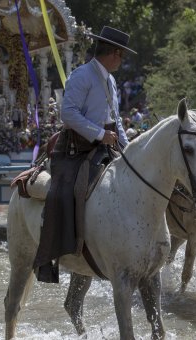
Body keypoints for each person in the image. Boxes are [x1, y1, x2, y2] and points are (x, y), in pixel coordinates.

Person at [33, 26, 134, 283]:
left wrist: (128, 147)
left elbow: (116, 120)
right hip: (75, 150)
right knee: (62, 193)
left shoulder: (110, 80)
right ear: (114, 53)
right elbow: (68, 113)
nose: (121, 61)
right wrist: (100, 134)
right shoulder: (82, 75)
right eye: (122, 56)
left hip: (107, 145)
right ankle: (51, 256)